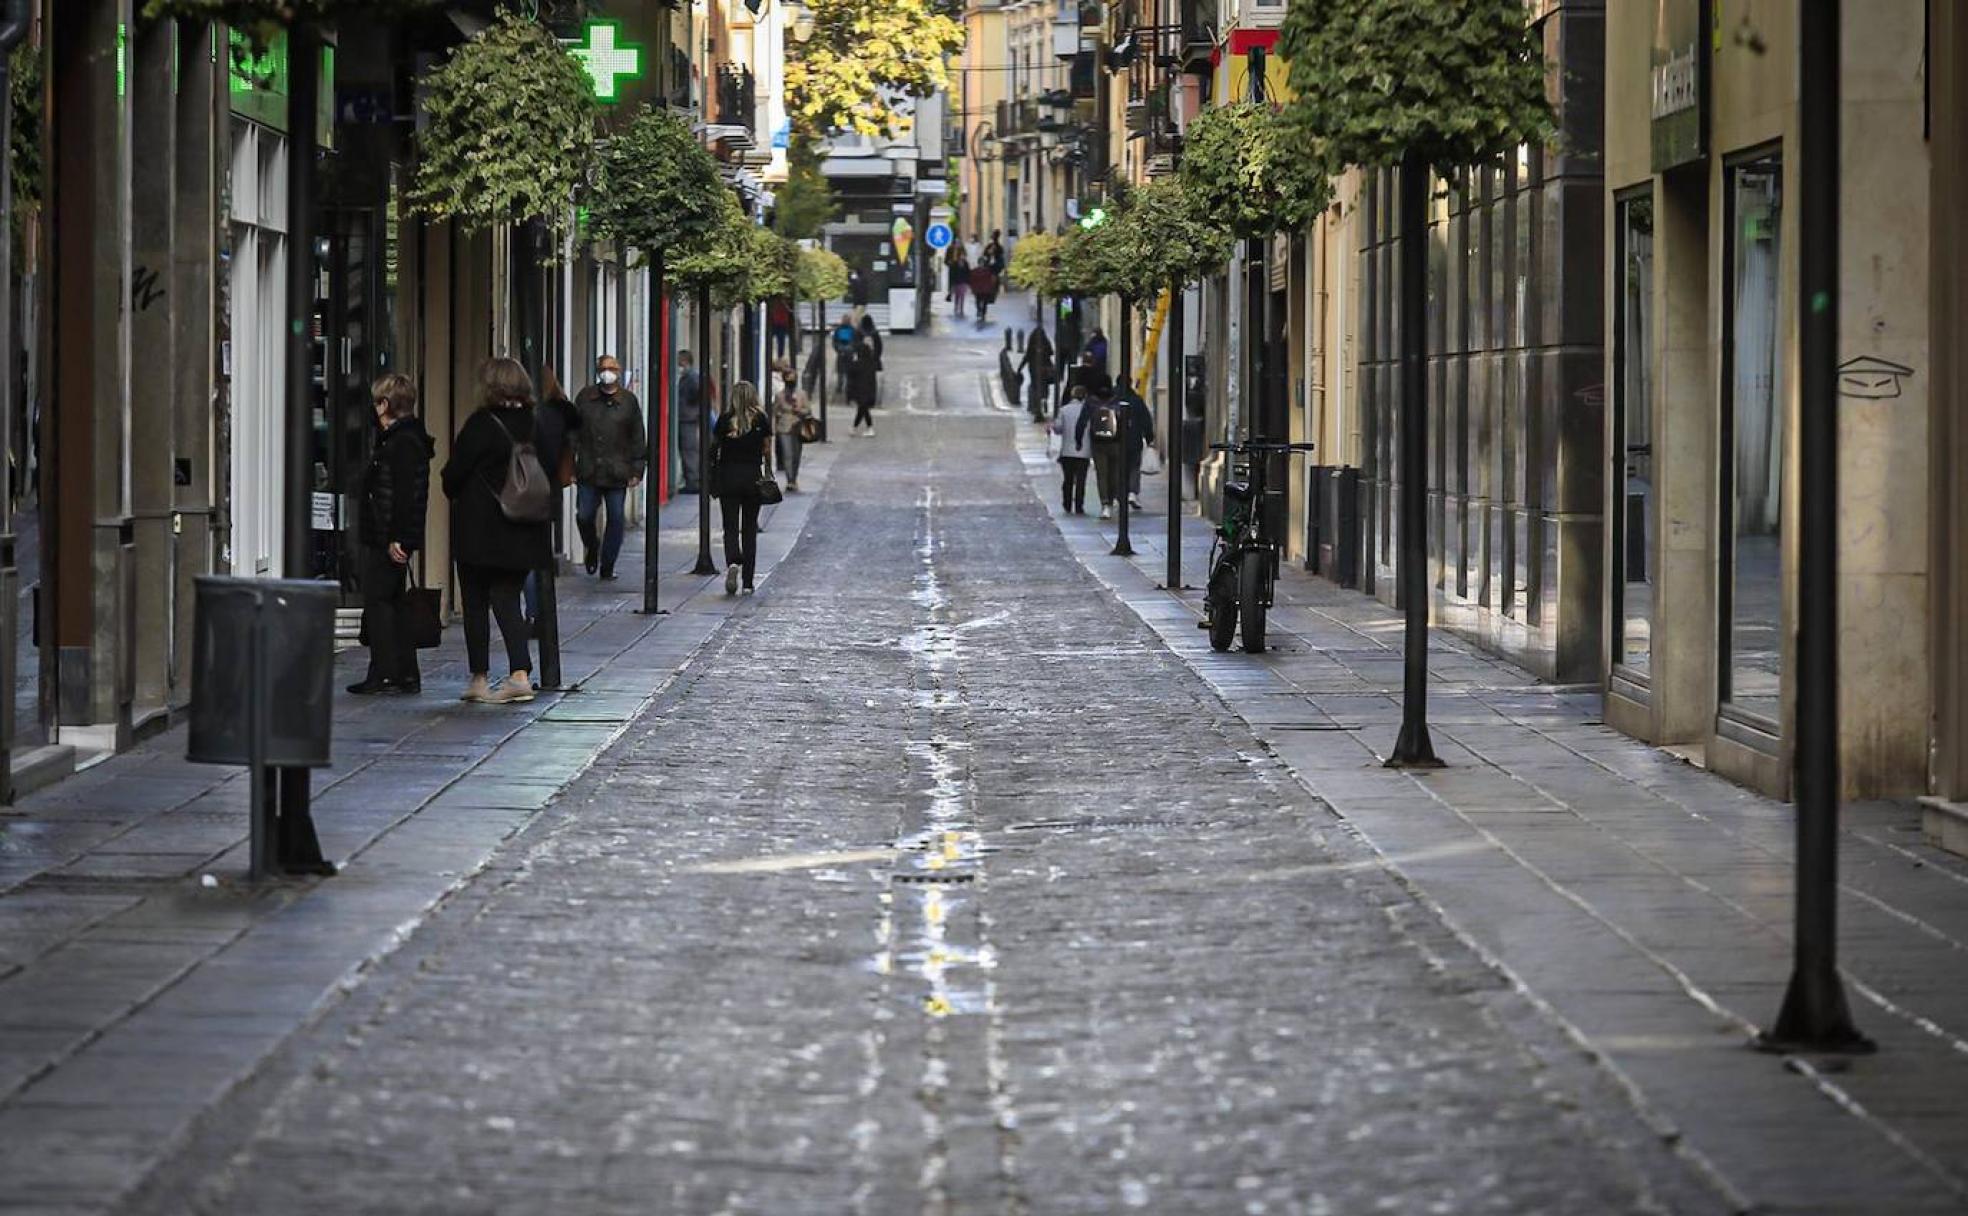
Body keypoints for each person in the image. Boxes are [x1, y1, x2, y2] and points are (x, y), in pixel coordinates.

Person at [442, 357, 552, 704]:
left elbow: (453, 474)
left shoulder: (481, 424)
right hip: (524, 528)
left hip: (479, 528)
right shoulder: (536, 424)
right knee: (508, 598)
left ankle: (479, 678)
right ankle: (520, 673)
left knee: (475, 601)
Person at [349, 371, 433, 695]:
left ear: (385, 405)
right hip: (388, 534)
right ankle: (404, 672)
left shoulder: (402, 443)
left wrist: (399, 538)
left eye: (376, 402)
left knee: (380, 601)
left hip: (388, 536)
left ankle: (384, 670)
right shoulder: (401, 439)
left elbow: (404, 495)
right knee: (394, 602)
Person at [572, 353, 647, 582]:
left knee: (616, 519)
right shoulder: (585, 398)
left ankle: (608, 563)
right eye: (604, 368)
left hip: (617, 470)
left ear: (618, 371)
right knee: (584, 516)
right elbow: (573, 432)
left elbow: (637, 437)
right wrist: (571, 466)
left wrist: (637, 469)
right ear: (598, 371)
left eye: (612, 368)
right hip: (589, 468)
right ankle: (592, 547)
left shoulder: (628, 401)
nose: (608, 372)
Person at [522, 366, 583, 631]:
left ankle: (535, 612)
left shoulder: (531, 416)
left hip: (524, 491)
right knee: (539, 554)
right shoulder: (563, 412)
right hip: (549, 492)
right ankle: (540, 612)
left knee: (527, 559)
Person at [712, 381, 772, 595]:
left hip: (728, 477)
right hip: (752, 479)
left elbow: (714, 447)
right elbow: (767, 449)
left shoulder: (725, 420)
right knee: (749, 529)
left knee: (730, 526)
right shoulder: (761, 419)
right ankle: (747, 582)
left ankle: (733, 562)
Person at [1077, 375, 1123, 519]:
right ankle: (1112, 498)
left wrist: (1078, 440)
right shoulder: (1117, 400)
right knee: (1115, 473)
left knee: (1102, 474)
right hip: (1116, 441)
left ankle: (1105, 504)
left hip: (1098, 442)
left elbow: (1082, 422)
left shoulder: (1091, 402)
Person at [771, 359, 812, 492]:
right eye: (788, 378)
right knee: (787, 454)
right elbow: (775, 412)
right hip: (784, 428)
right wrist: (775, 428)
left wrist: (800, 410)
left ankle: (794, 476)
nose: (791, 381)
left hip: (798, 427)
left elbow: (808, 410)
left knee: (796, 454)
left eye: (793, 378)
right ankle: (790, 480)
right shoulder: (779, 395)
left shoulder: (802, 394)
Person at [1052, 383, 1093, 515]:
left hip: (1067, 451)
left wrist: (1052, 427)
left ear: (1072, 395)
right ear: (1085, 396)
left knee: (1068, 479)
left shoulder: (1064, 410)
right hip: (1084, 451)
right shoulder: (1089, 410)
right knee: (1081, 480)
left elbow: (1058, 428)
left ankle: (1067, 503)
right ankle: (1079, 506)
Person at [675, 350, 705, 494]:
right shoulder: (688, 376)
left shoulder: (692, 377)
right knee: (687, 450)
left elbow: (698, 393)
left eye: (680, 361)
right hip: (687, 417)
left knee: (689, 450)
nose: (678, 364)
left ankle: (693, 481)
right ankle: (691, 479)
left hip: (688, 418)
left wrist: (692, 407)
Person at [845, 335, 880, 436]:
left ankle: (867, 428)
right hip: (869, 390)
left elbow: (850, 373)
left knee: (863, 409)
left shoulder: (857, 364)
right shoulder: (871, 363)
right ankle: (856, 428)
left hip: (860, 391)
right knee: (862, 409)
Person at [1018, 325, 1055, 422]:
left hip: (1034, 370)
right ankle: (1044, 400)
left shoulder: (1032, 344)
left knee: (1034, 386)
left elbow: (1026, 357)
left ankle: (1035, 405)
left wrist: (1020, 368)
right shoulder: (1046, 342)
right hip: (1044, 369)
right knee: (1044, 386)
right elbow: (1051, 353)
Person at [858, 314, 885, 404]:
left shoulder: (859, 332)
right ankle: (871, 399)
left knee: (862, 381)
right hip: (872, 361)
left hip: (862, 361)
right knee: (872, 381)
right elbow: (879, 347)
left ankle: (863, 399)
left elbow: (856, 346)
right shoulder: (875, 333)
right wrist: (876, 357)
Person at [946, 244, 972, 317]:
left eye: (963, 255)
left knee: (962, 295)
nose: (962, 256)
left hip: (963, 282)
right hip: (957, 281)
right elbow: (953, 273)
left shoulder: (966, 263)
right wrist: (952, 283)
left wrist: (968, 282)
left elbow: (968, 272)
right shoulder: (955, 263)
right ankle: (956, 307)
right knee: (957, 296)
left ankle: (961, 309)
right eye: (961, 255)